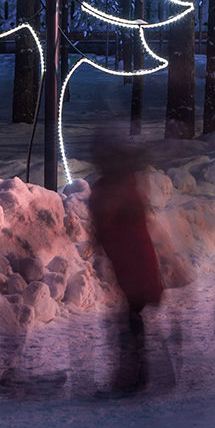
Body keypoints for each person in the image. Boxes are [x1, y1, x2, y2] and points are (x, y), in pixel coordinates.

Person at [89, 137, 165, 394]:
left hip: (132, 262)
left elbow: (110, 223)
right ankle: (138, 374)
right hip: (131, 261)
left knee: (130, 319)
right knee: (131, 317)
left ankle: (134, 377)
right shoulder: (123, 185)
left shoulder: (117, 188)